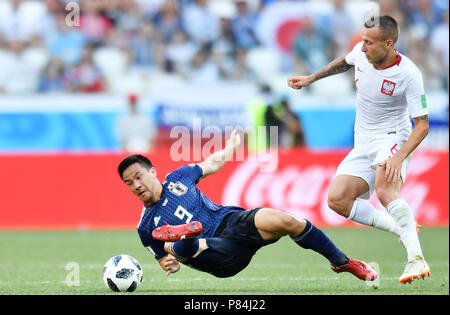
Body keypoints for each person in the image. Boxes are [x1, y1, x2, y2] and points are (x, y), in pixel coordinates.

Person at [117, 130, 377, 280]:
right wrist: (168, 262)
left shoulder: (179, 177)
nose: (136, 185)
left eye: (138, 177)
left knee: (288, 221)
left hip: (229, 221)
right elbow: (169, 265)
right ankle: (187, 236)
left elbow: (212, 164)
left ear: (152, 171)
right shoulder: (144, 227)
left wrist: (230, 147)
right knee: (178, 246)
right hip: (220, 257)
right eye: (129, 183)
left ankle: (342, 261)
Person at [287, 15, 430, 284]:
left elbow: (422, 125)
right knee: (338, 200)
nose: (362, 48)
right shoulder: (362, 53)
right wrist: (312, 78)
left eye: (369, 43)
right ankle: (402, 228)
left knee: (387, 191)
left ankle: (416, 259)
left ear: (389, 44)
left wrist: (399, 157)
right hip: (363, 142)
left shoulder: (409, 74)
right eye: (362, 41)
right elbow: (344, 62)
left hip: (392, 139)